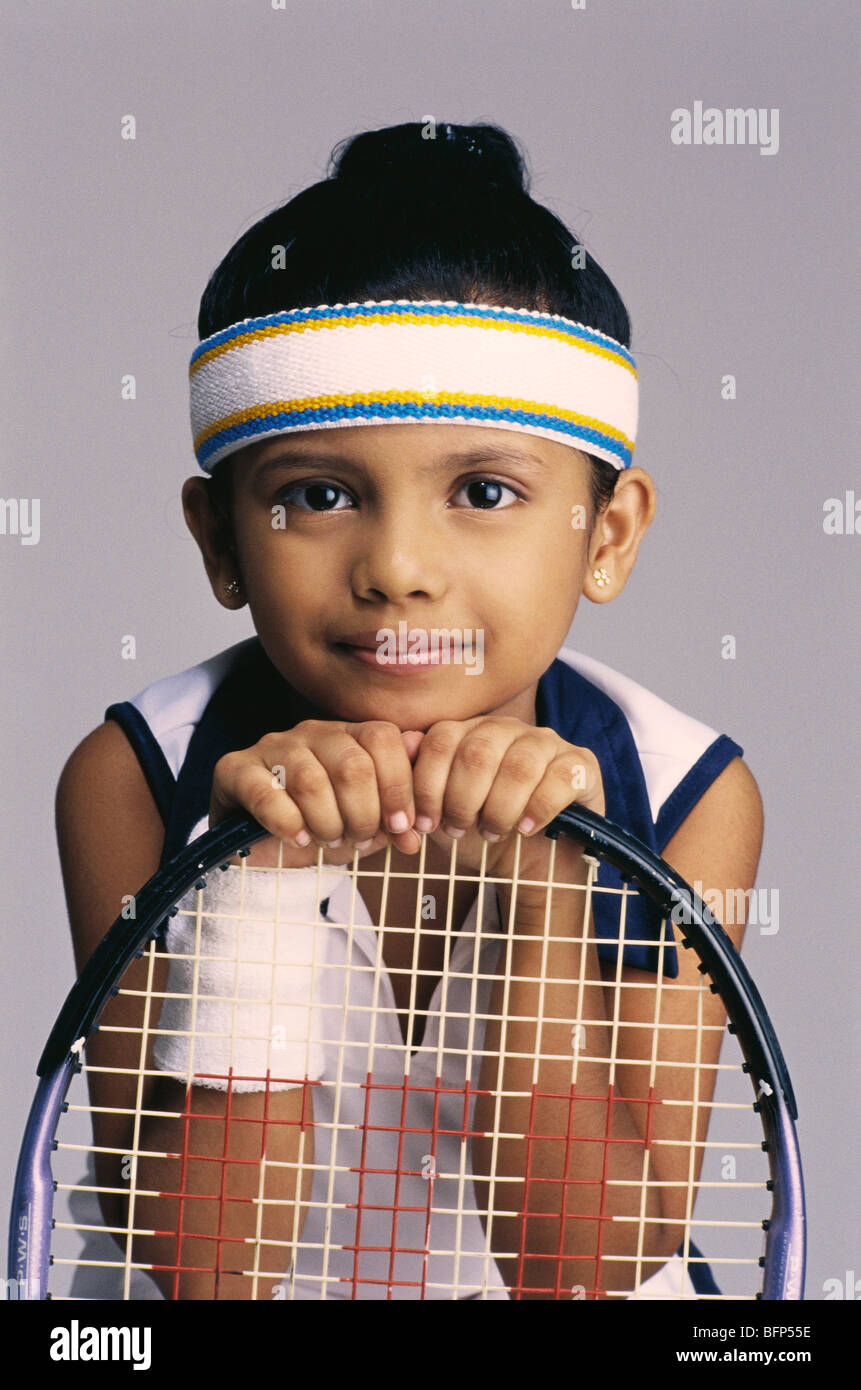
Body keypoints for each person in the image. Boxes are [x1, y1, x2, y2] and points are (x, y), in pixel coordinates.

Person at [55, 120, 763, 1301]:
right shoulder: (134, 775)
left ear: (612, 531)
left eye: (484, 491)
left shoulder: (684, 790)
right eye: (319, 494)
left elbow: (581, 1270)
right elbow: (198, 1267)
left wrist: (545, 891)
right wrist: (261, 884)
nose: (397, 565)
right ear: (219, 538)